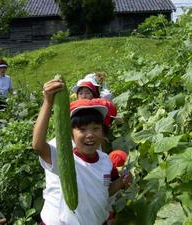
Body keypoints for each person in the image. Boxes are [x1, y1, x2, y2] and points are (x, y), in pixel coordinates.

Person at [32, 78, 131, 225]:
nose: (90, 134)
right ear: (70, 134)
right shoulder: (65, 159)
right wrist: (48, 103)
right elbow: (38, 146)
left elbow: (104, 191)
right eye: (82, 129)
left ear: (103, 133)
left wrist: (121, 181)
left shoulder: (105, 160)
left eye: (96, 128)